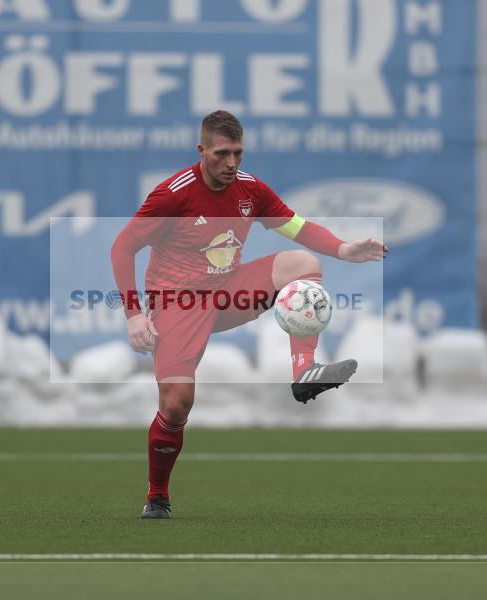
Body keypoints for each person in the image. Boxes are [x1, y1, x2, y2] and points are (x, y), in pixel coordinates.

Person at [111, 111, 387, 519]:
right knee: (176, 405)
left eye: (238, 153)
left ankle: (303, 371)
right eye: (222, 153)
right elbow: (122, 247)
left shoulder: (250, 190)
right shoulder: (173, 194)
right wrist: (135, 314)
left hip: (227, 293)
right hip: (178, 303)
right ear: (201, 150)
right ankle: (158, 494)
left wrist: (344, 249)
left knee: (301, 263)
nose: (231, 163)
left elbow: (296, 227)